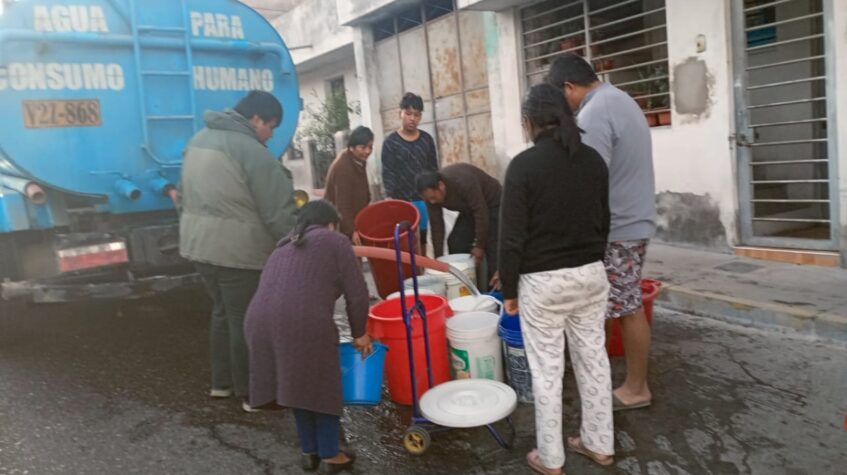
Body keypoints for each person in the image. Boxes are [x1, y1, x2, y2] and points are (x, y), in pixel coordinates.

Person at [499, 83, 613, 474]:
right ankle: (599, 444)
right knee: (593, 359)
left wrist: (510, 291)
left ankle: (551, 459)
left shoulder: (523, 166)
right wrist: (592, 264)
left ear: (529, 122)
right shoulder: (594, 160)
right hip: (591, 275)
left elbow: (511, 238)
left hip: (543, 283)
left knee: (547, 372)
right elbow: (605, 220)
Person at [547, 54, 657, 412]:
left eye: (562, 100)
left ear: (569, 88)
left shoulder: (595, 112)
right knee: (619, 304)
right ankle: (617, 378)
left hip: (620, 226)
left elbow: (588, 180)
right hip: (632, 220)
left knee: (626, 307)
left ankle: (637, 388)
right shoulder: (620, 99)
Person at [179, 90, 297, 412]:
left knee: (222, 312)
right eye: (270, 126)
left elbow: (184, 196)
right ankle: (254, 395)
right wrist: (295, 247)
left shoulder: (198, 141)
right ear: (256, 119)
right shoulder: (251, 152)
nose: (270, 135)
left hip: (198, 247)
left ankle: (222, 384)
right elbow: (278, 212)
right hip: (237, 252)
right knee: (246, 319)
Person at [244, 200, 371, 474]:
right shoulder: (335, 240)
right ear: (331, 223)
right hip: (302, 321)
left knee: (297, 385)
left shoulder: (282, 248)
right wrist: (360, 333)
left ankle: (309, 450)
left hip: (259, 321)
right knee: (321, 383)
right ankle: (330, 453)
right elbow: (358, 294)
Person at [415, 163, 502, 285]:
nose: (432, 202)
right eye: (428, 199)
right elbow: (437, 227)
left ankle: (494, 293)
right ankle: (468, 285)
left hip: (493, 205)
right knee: (456, 242)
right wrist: (439, 261)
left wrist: (479, 246)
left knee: (491, 246)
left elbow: (481, 212)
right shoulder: (431, 197)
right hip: (470, 210)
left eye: (433, 197)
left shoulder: (463, 181)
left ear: (441, 186)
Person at [381, 92, 438, 252]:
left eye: (417, 115)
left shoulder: (427, 140)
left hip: (424, 200)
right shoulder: (391, 143)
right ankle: (409, 274)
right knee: (406, 244)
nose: (412, 118)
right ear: (400, 113)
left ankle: (422, 273)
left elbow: (433, 169)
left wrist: (434, 194)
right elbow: (388, 172)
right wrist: (390, 199)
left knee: (423, 241)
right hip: (402, 202)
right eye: (408, 113)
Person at [324, 126, 374, 244]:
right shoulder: (343, 168)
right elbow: (343, 205)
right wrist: (352, 231)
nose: (367, 151)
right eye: (363, 147)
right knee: (350, 260)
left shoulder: (357, 160)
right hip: (340, 226)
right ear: (351, 147)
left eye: (370, 147)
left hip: (352, 222)